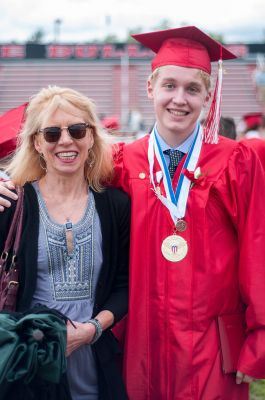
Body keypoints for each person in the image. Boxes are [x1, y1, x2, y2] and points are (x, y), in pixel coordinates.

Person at [1, 27, 265, 400]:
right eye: (169, 86)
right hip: (139, 341)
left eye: (192, 89)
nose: (179, 99)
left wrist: (259, 340)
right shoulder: (125, 163)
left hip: (211, 345)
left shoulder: (236, 161)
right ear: (150, 89)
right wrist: (4, 181)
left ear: (209, 95)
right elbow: (60, 173)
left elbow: (259, 252)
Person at [0, 86, 130, 400]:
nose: (66, 141)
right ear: (36, 143)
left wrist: (91, 330)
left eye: (77, 130)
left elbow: (125, 285)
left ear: (91, 138)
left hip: (95, 361)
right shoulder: (12, 203)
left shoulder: (116, 205)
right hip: (29, 363)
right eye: (52, 133)